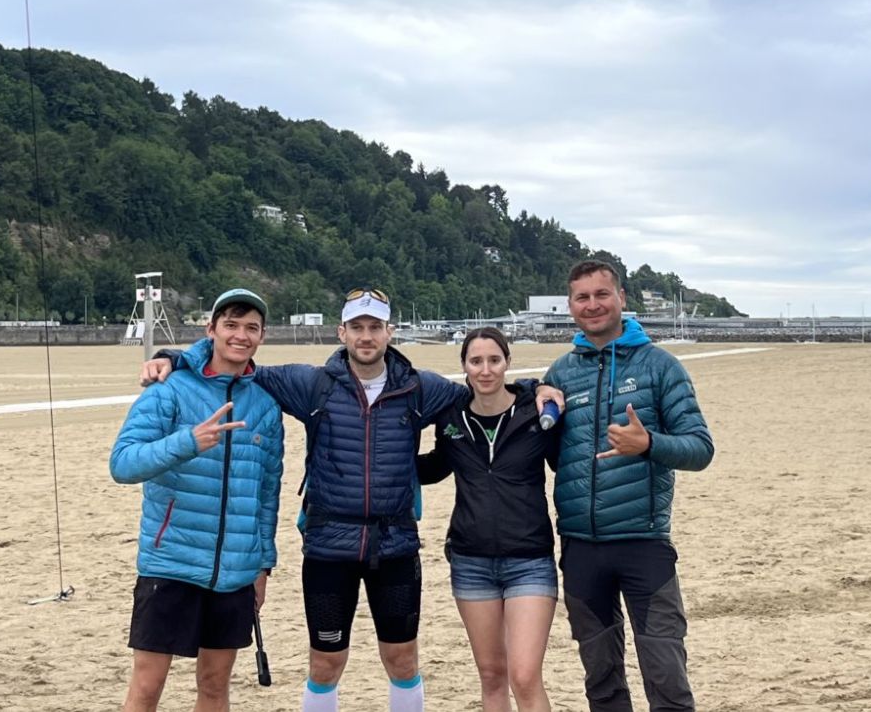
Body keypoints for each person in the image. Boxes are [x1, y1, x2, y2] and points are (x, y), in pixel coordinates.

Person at [144, 287, 560, 712]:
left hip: (395, 547)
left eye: (375, 327)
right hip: (328, 548)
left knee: (402, 660)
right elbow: (240, 364)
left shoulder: (419, 388)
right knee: (325, 665)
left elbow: (484, 391)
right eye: (357, 327)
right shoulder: (312, 385)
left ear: (389, 332)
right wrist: (175, 357)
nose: (366, 336)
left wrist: (536, 387)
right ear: (342, 332)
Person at [545, 261, 715, 712]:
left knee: (666, 676)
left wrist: (648, 444)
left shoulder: (661, 366)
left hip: (644, 544)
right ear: (570, 306)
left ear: (622, 298)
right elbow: (549, 452)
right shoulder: (560, 373)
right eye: (582, 297)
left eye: (602, 294)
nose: (593, 305)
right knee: (601, 682)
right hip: (581, 547)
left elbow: (700, 448)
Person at [109, 288, 286, 712]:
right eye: (231, 325)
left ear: (262, 336)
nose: (240, 335)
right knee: (147, 687)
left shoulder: (265, 407)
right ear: (211, 329)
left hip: (236, 573)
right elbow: (123, 464)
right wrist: (188, 441)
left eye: (251, 328)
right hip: (170, 563)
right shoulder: (168, 389)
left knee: (214, 686)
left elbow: (267, 494)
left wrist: (262, 565)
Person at [414, 326, 560, 712]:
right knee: (493, 674)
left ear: (507, 362)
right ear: (464, 365)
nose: (485, 370)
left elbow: (567, 463)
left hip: (530, 561)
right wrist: (385, 458)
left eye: (494, 360)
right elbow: (436, 467)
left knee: (524, 676)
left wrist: (539, 387)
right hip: (471, 563)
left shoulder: (535, 413)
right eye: (476, 361)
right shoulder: (451, 418)